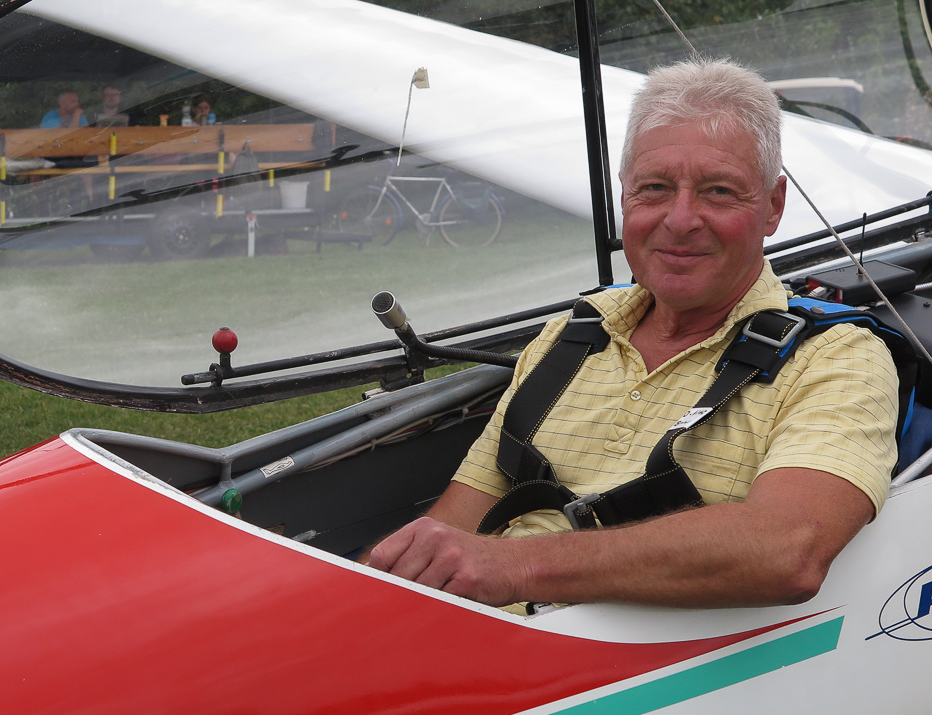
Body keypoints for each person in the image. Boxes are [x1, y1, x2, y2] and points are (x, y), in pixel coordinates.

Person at [366, 58, 898, 612]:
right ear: (624, 196)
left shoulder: (838, 360)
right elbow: (451, 531)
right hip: (479, 643)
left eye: (719, 191)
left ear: (773, 206)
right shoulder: (570, 337)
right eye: (655, 188)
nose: (681, 219)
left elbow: (787, 549)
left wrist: (517, 566)